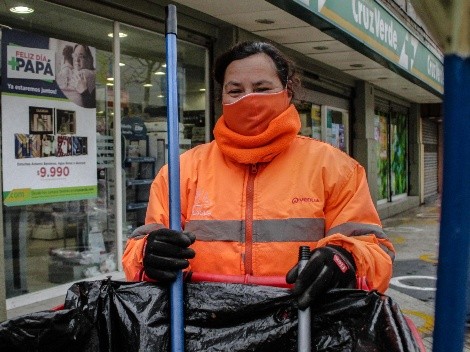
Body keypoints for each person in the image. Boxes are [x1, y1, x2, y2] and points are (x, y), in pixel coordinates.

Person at [122, 41, 395, 309]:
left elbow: (375, 253)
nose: (248, 99)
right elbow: (137, 253)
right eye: (235, 90)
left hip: (303, 327)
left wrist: (344, 260)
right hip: (205, 329)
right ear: (222, 97)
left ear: (288, 92)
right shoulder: (181, 172)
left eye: (262, 88)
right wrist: (148, 255)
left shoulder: (336, 168)